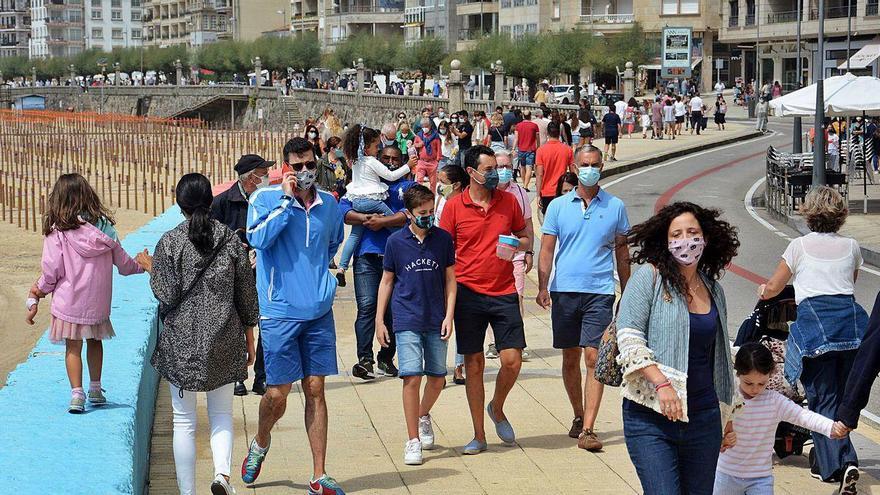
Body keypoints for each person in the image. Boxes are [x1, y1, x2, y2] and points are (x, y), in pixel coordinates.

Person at [138, 173, 258, 495]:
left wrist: (151, 266)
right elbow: (246, 293)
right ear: (210, 199)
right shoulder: (231, 240)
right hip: (224, 338)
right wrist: (250, 337)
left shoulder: (170, 242)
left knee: (184, 422)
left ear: (180, 204)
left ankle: (187, 492)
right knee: (221, 414)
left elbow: (166, 293)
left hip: (181, 346)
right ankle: (222, 477)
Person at [240, 137, 346, 495]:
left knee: (316, 388)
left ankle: (319, 473)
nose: (304, 172)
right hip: (279, 311)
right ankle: (261, 440)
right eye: (296, 166)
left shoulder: (329, 204)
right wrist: (286, 202)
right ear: (285, 168)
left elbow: (331, 245)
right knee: (277, 393)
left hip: (318, 309)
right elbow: (258, 240)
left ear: (317, 164)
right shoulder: (264, 199)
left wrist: (323, 285)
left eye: (309, 165)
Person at [616, 202, 740, 495]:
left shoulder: (713, 289)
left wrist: (727, 417)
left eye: (693, 232)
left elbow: (719, 355)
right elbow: (629, 337)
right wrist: (662, 384)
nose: (686, 241)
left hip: (704, 419)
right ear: (666, 241)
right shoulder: (649, 278)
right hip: (652, 416)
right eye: (677, 234)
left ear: (705, 239)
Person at [758, 186, 865, 487]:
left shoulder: (799, 247)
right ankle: (835, 461)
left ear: (809, 213)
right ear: (840, 215)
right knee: (844, 398)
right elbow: (850, 283)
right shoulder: (852, 245)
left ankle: (839, 465)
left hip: (817, 330)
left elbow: (776, 285)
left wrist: (764, 292)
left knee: (821, 399)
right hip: (851, 326)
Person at [537, 145, 630, 451]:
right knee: (569, 357)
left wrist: (626, 290)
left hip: (600, 292)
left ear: (602, 166)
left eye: (595, 164)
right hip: (564, 290)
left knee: (593, 357)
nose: (590, 168)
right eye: (585, 164)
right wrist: (542, 285)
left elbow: (622, 252)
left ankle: (589, 427)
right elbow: (547, 249)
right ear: (575, 168)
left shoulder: (615, 206)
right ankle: (578, 414)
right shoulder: (558, 207)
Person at [25, 173, 144, 414]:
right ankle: (96, 389)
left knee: (72, 348)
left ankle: (77, 395)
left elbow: (51, 271)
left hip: (69, 302)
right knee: (95, 342)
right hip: (97, 303)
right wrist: (143, 264)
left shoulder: (58, 232)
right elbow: (124, 265)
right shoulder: (105, 230)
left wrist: (38, 292)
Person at [439, 145, 530, 455]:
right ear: (471, 172)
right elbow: (443, 253)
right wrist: (446, 301)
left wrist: (519, 245)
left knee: (512, 360)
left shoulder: (509, 201)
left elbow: (526, 234)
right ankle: (479, 435)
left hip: (504, 290)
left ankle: (498, 406)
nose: (496, 174)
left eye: (498, 168)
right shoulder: (453, 206)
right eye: (489, 169)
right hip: (467, 293)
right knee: (473, 365)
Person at [376, 184, 456, 466]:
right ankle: (412, 440)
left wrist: (449, 315)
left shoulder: (443, 239)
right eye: (422, 213)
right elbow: (387, 281)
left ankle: (423, 414)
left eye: (431, 211)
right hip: (406, 317)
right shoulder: (395, 242)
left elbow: (450, 280)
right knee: (412, 377)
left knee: (437, 378)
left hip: (436, 317)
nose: (428, 217)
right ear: (408, 213)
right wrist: (379, 320)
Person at [714, 343, 851, 495]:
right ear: (737, 373)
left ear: (770, 375)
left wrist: (830, 427)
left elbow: (802, 416)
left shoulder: (774, 401)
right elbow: (709, 427)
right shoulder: (727, 398)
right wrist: (721, 438)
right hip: (726, 474)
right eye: (748, 383)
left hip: (760, 478)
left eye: (761, 383)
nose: (755, 389)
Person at [343, 145, 417, 380]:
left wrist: (383, 221)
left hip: (398, 258)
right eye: (386, 158)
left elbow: (412, 212)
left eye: (396, 159)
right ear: (378, 159)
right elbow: (344, 211)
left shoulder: (406, 186)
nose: (391, 162)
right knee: (366, 308)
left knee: (393, 311)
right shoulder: (362, 186)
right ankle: (364, 360)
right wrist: (367, 218)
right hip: (367, 256)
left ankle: (386, 357)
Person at [210, 154, 273, 397]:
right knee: (235, 323)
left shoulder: (267, 199)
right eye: (262, 173)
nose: (266, 177)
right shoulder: (223, 202)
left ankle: (262, 376)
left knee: (265, 322)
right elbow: (212, 238)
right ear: (250, 177)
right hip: (233, 273)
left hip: (263, 271)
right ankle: (238, 375)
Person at [335, 125, 416, 286]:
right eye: (377, 146)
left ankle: (342, 268)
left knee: (354, 236)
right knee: (393, 223)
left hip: (357, 201)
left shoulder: (356, 161)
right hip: (373, 200)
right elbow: (391, 176)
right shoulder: (371, 161)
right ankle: (409, 245)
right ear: (366, 148)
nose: (378, 149)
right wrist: (409, 165)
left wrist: (363, 218)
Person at [489, 150, 535, 360]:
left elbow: (527, 224)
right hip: (490, 257)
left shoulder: (519, 192)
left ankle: (516, 342)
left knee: (516, 297)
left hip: (515, 254)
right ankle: (493, 342)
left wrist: (529, 251)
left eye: (508, 166)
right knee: (490, 299)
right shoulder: (485, 191)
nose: (504, 170)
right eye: (499, 167)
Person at [535, 121, 575, 215]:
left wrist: (538, 195)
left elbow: (539, 174)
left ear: (547, 133)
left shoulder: (541, 150)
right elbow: (573, 172)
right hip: (563, 191)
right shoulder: (567, 149)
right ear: (559, 133)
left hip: (546, 192)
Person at [514, 110, 540, 192]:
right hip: (531, 149)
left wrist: (513, 148)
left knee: (522, 166)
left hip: (521, 149)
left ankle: (523, 183)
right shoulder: (534, 126)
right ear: (530, 116)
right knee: (529, 167)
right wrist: (538, 147)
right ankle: (525, 185)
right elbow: (537, 138)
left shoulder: (518, 126)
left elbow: (516, 138)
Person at [414, 117, 441, 191]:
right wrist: (419, 144)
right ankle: (419, 193)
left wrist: (437, 160)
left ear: (430, 126)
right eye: (423, 127)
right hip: (421, 161)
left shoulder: (435, 136)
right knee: (419, 179)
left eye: (426, 126)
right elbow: (415, 145)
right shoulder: (419, 135)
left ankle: (432, 196)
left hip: (432, 162)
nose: (424, 128)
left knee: (433, 182)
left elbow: (438, 148)